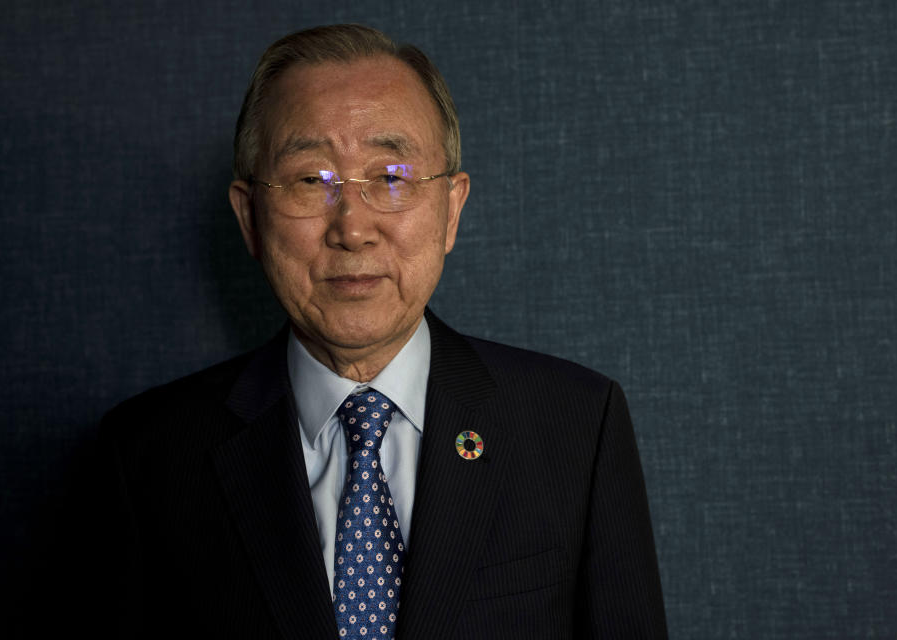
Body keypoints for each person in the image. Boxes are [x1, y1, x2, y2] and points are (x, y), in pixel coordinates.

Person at [96, 24, 668, 639]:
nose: (353, 227)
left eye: (392, 176)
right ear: (250, 218)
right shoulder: (148, 456)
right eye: (311, 180)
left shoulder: (575, 426)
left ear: (451, 210)